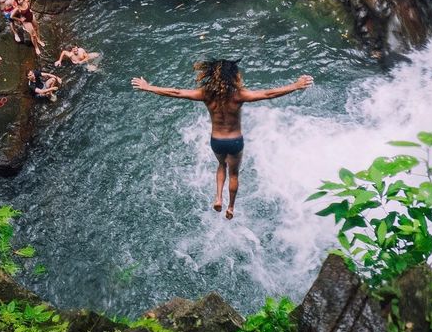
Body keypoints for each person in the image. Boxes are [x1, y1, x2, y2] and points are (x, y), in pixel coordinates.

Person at [131, 59, 314, 219]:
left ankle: (218, 197)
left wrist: (149, 87)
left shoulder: (206, 94)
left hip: (217, 141)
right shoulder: (239, 95)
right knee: (234, 174)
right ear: (233, 77)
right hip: (235, 141)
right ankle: (231, 207)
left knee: (221, 166)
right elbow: (268, 94)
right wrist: (295, 85)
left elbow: (177, 93)